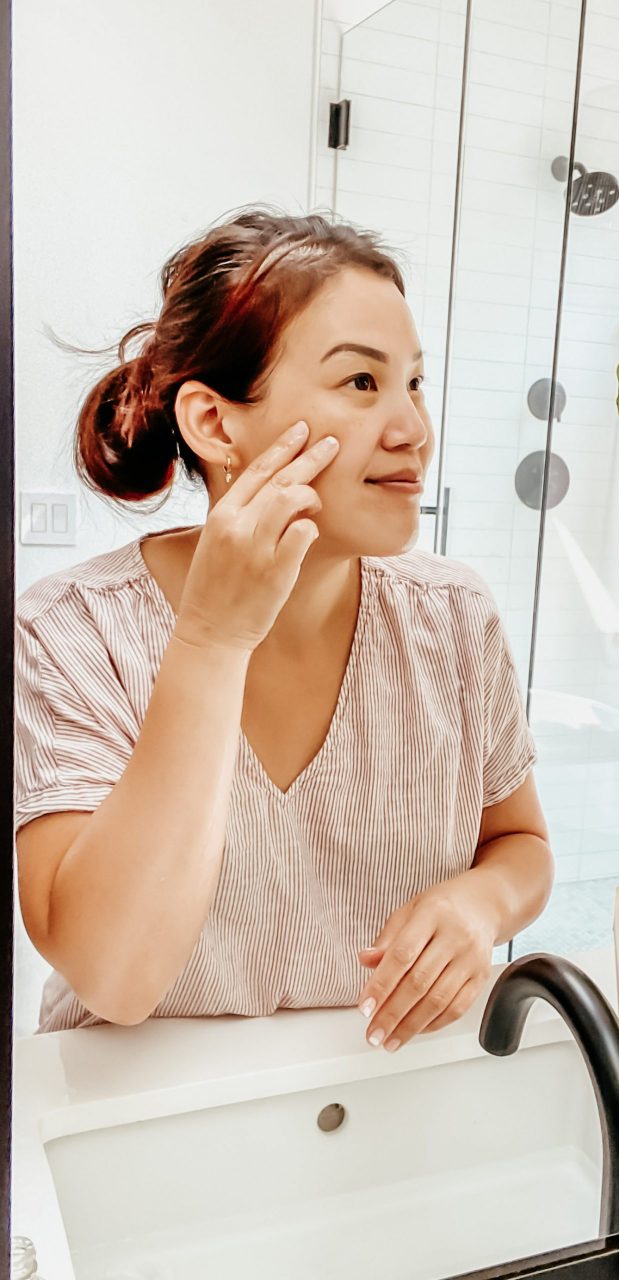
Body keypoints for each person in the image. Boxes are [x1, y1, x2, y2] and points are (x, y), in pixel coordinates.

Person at [14, 208, 554, 1042]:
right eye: (361, 383)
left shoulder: (454, 619)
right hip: (131, 1122)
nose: (414, 430)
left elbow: (521, 844)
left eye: (415, 382)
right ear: (213, 423)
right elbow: (112, 975)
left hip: (371, 1093)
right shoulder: (71, 634)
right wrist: (211, 641)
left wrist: (478, 902)